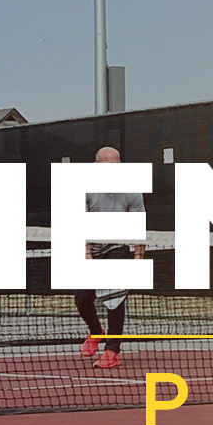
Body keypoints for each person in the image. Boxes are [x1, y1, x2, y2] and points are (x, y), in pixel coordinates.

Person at [75, 146, 146, 370]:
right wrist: (87, 256)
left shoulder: (132, 190)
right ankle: (96, 331)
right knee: (82, 298)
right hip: (90, 247)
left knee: (115, 299)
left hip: (117, 247)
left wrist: (138, 259)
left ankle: (112, 351)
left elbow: (139, 227)